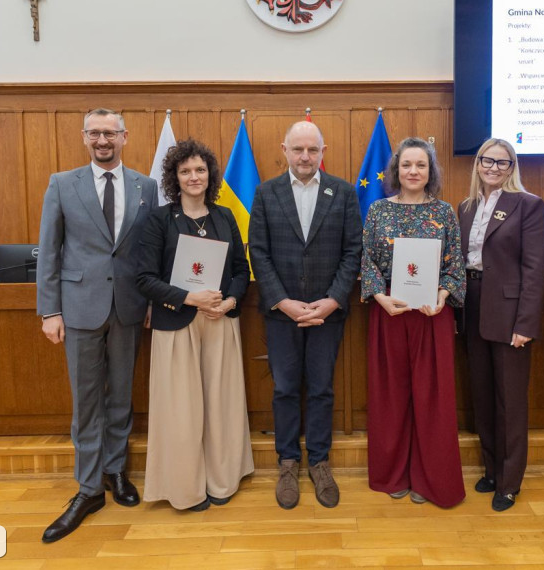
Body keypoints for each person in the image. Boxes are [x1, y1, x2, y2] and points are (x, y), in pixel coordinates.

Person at [36, 108, 158, 543]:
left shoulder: (147, 186)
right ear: (84, 137)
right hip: (79, 309)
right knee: (87, 401)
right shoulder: (62, 184)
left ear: (125, 136)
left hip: (129, 307)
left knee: (121, 397)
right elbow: (48, 250)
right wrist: (49, 311)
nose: (103, 140)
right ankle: (88, 489)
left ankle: (115, 472)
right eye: (95, 133)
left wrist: (151, 302)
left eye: (111, 133)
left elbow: (149, 251)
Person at [248, 121, 363, 510]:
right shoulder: (266, 193)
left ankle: (319, 461)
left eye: (312, 150)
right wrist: (283, 301)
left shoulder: (344, 193)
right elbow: (258, 253)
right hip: (282, 314)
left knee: (321, 388)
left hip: (327, 312)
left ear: (322, 150)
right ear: (284, 149)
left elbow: (353, 252)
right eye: (298, 149)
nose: (305, 157)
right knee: (283, 389)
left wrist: (332, 300)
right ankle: (287, 462)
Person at [136, 138, 253, 511]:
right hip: (177, 323)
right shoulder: (158, 220)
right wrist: (188, 298)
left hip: (220, 320)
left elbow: (239, 269)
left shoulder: (224, 217)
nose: (193, 176)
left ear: (210, 175)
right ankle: (185, 488)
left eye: (200, 170)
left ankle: (222, 480)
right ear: (174, 177)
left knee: (221, 405)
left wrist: (231, 301)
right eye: (185, 171)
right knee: (181, 412)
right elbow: (143, 278)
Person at [360, 136, 466, 508]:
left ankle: (430, 477)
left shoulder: (446, 212)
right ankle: (393, 474)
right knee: (391, 397)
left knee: (431, 398)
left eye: (421, 165)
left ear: (430, 171)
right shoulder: (377, 211)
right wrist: (380, 297)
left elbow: (455, 265)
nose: (413, 171)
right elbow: (368, 261)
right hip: (391, 311)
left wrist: (441, 297)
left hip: (432, 316)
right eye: (407, 165)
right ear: (396, 170)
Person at [457, 138, 544, 512]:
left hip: (510, 313)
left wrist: (525, 322)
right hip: (472, 305)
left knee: (509, 401)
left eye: (502, 162)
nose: (493, 167)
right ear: (477, 163)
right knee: (482, 396)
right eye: (487, 160)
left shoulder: (528, 204)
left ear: (513, 168)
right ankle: (492, 470)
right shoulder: (465, 206)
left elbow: (534, 268)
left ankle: (510, 483)